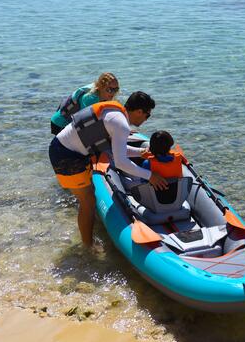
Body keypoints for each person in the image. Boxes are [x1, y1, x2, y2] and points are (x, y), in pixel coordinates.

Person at [49, 91, 168, 249]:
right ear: (139, 111)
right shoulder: (121, 124)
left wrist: (140, 152)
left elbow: (117, 149)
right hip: (66, 156)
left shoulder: (115, 115)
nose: (146, 119)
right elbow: (121, 163)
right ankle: (87, 247)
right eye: (147, 115)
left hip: (66, 149)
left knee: (88, 197)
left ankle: (88, 239)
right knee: (88, 201)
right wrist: (150, 175)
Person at [50, 72, 119, 135]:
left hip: (69, 122)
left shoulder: (103, 94)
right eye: (110, 90)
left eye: (116, 89)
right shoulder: (90, 98)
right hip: (60, 124)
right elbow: (85, 123)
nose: (113, 93)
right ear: (101, 87)